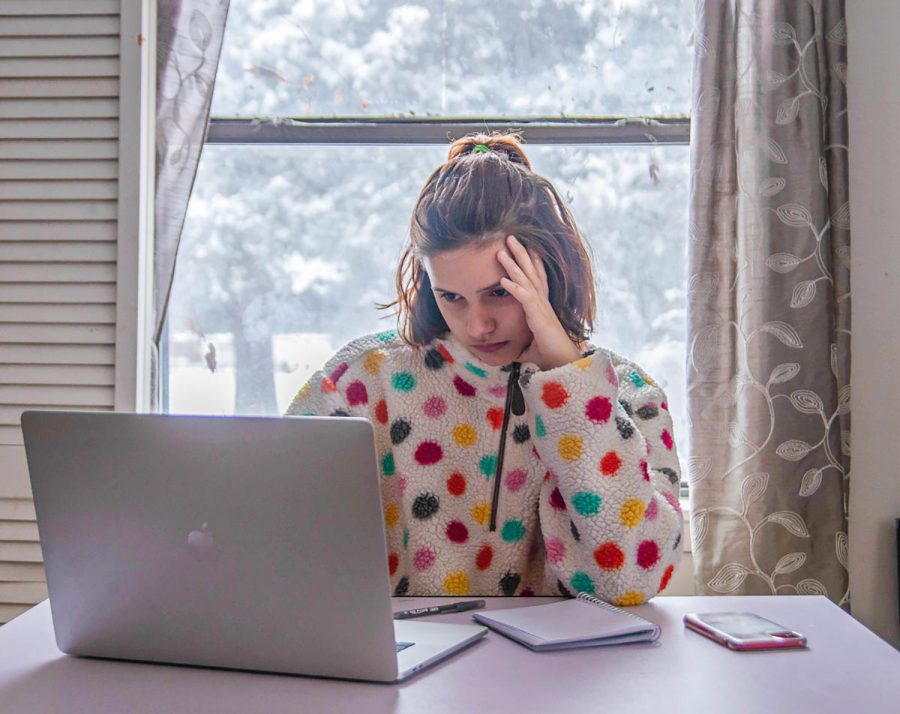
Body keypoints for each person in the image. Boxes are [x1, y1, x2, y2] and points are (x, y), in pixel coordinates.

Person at [286, 133, 682, 605]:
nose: (478, 325)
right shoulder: (360, 381)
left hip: (566, 674)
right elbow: (274, 542)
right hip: (405, 671)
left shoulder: (630, 397)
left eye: (500, 292)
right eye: (450, 296)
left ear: (550, 273)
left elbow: (630, 583)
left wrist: (569, 383)